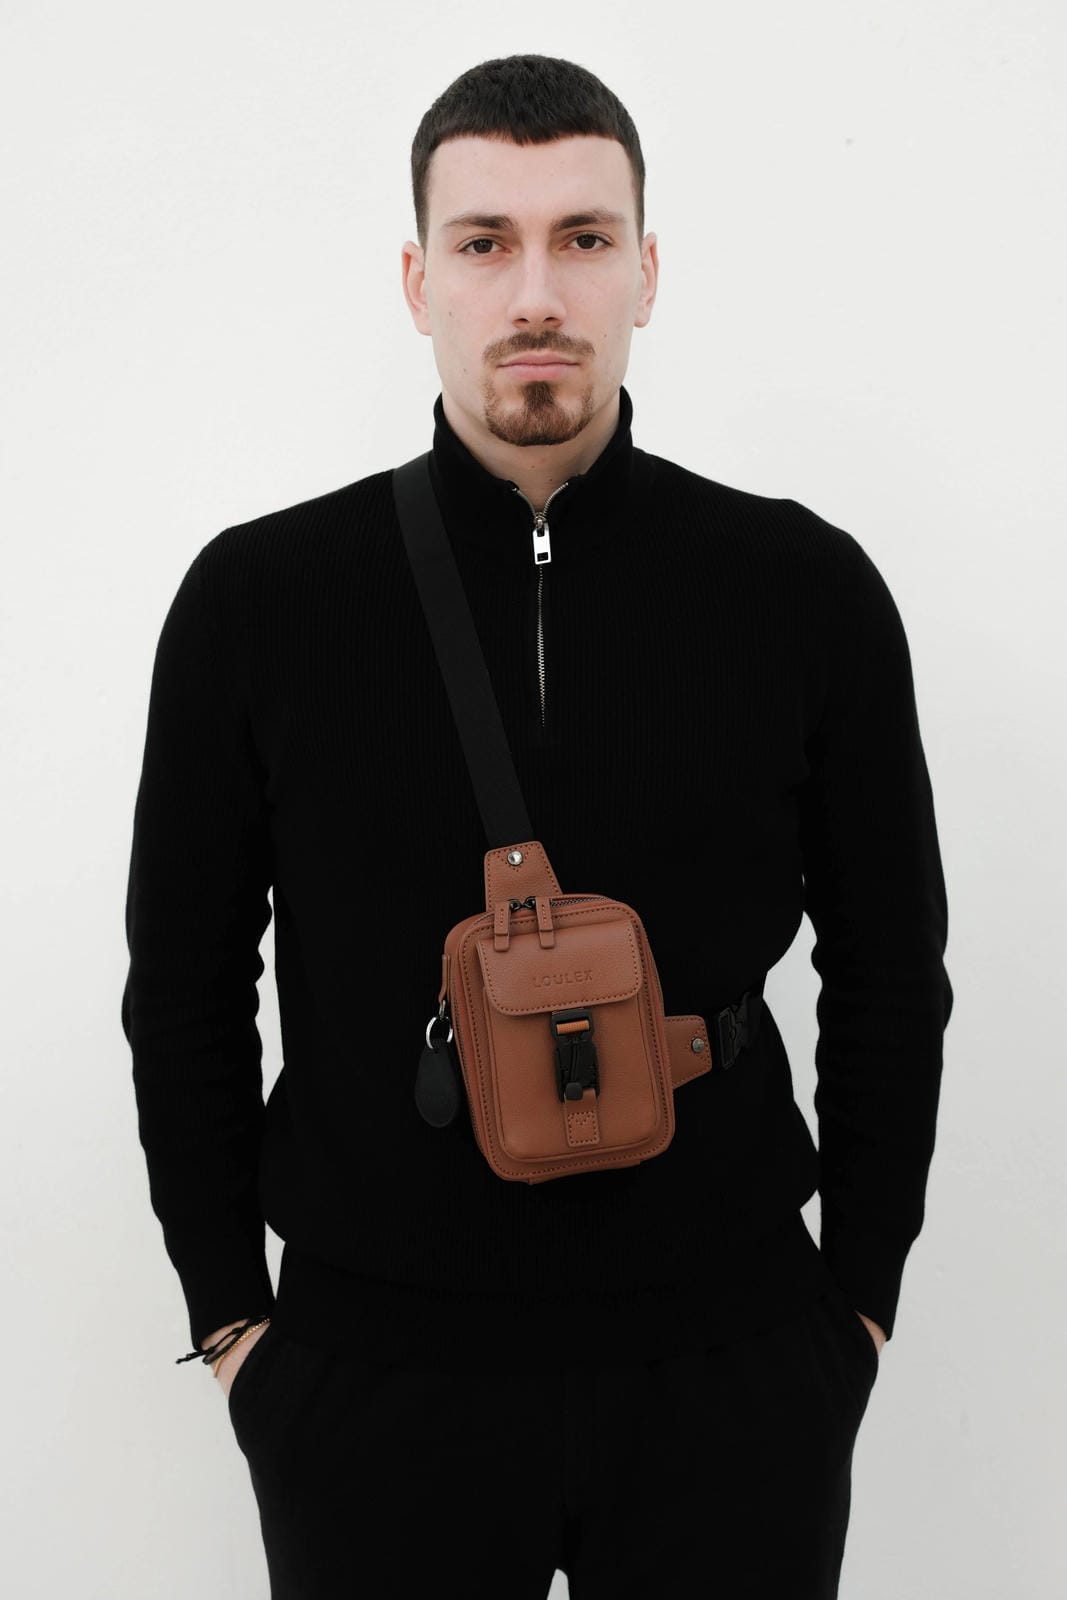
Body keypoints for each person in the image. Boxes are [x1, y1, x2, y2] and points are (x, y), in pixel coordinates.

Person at [121, 52, 953, 1600]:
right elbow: (179, 986)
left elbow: (894, 968)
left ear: (648, 269)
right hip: (373, 1383)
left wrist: (856, 1310)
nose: (535, 294)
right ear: (415, 276)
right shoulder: (258, 602)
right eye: (485, 241)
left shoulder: (802, 589)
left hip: (736, 1370)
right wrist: (236, 1323)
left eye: (582, 237)